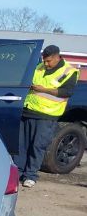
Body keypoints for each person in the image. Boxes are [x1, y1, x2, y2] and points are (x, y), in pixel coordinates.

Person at [17, 45, 79, 188]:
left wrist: (44, 90)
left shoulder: (69, 72)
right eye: (44, 60)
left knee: (38, 146)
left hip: (47, 114)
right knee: (22, 145)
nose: (46, 63)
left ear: (58, 57)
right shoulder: (39, 66)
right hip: (28, 111)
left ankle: (30, 175)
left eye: (49, 61)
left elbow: (66, 92)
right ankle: (18, 172)